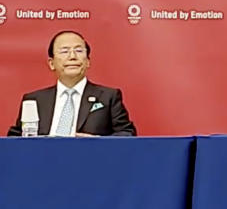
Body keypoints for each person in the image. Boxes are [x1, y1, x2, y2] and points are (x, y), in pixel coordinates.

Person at [7, 30, 137, 137]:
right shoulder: (34, 100)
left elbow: (127, 134)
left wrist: (99, 142)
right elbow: (15, 137)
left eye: (79, 51)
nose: (72, 56)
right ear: (51, 63)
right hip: (43, 162)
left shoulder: (108, 97)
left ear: (87, 61)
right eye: (64, 51)